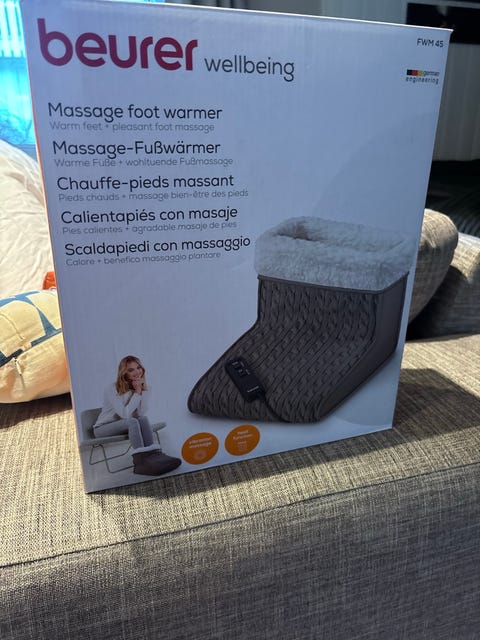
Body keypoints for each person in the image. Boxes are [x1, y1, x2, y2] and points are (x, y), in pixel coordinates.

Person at [93, 355, 181, 476]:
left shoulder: (140, 386)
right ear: (124, 373)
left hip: (124, 424)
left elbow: (140, 413)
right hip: (103, 428)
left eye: (138, 368)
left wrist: (143, 391)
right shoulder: (112, 388)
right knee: (132, 421)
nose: (136, 372)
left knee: (143, 419)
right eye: (131, 370)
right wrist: (138, 393)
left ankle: (154, 457)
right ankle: (141, 463)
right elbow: (124, 415)